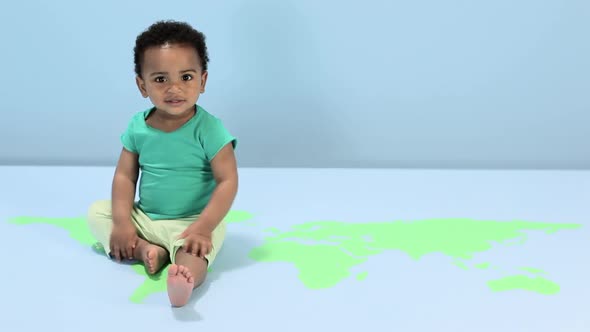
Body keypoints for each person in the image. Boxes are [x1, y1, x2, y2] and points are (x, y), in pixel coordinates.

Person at [87, 20, 238, 307]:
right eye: (160, 79)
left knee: (194, 253)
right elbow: (124, 177)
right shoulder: (137, 127)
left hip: (194, 222)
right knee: (97, 213)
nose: (174, 88)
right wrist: (122, 223)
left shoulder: (209, 129)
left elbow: (228, 180)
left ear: (202, 81)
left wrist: (205, 226)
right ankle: (146, 248)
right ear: (142, 85)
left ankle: (185, 279)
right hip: (146, 218)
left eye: (186, 77)